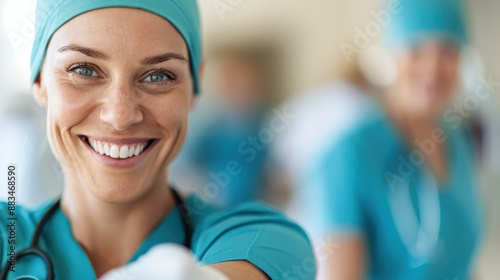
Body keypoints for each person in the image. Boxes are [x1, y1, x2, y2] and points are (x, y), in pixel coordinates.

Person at [0, 1, 316, 279]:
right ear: (39, 81)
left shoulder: (264, 240)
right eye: (84, 69)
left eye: (158, 76)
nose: (120, 115)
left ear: (195, 86)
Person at [303, 0, 484, 279]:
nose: (433, 67)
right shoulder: (347, 156)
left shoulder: (458, 142)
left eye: (448, 50)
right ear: (390, 56)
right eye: (416, 49)